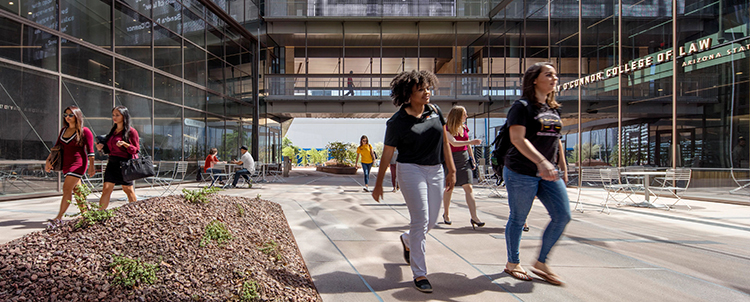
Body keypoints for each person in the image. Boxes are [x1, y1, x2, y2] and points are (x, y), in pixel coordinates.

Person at [371, 70, 456, 293]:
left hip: (436, 170)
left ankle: (408, 240)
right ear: (408, 94)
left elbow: (445, 141)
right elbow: (388, 154)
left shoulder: (435, 111)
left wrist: (451, 169)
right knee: (420, 220)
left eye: (428, 88)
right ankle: (420, 274)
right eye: (421, 89)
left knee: (432, 221)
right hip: (410, 170)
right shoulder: (397, 121)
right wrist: (379, 182)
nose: (427, 92)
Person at [503, 62, 570, 285]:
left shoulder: (553, 109)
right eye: (548, 75)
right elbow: (517, 139)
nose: (554, 78)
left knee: (563, 215)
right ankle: (513, 263)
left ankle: (541, 262)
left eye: (555, 75)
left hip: (549, 172)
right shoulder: (521, 107)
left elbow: (555, 140)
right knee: (519, 218)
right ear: (534, 79)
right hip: (521, 171)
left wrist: (562, 165)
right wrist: (541, 162)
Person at [44, 106, 95, 227]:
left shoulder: (85, 131)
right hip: (66, 164)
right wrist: (48, 161)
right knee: (77, 191)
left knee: (66, 189)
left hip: (78, 164)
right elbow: (56, 148)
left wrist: (91, 166)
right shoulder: (63, 131)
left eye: (71, 115)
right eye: (65, 115)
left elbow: (91, 151)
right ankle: (86, 215)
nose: (67, 117)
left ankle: (58, 217)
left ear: (77, 116)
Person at [442, 106, 484, 229]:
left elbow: (467, 143)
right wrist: (471, 142)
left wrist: (472, 158)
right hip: (451, 159)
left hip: (464, 158)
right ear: (458, 115)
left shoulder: (465, 127)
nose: (466, 116)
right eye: (464, 114)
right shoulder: (446, 128)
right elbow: (453, 142)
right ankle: (446, 213)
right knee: (449, 187)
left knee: (469, 187)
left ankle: (474, 217)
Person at [96, 106, 140, 210]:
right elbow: (109, 149)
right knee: (106, 189)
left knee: (128, 189)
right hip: (112, 162)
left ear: (124, 116)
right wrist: (101, 148)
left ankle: (135, 212)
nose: (114, 117)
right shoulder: (113, 131)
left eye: (117, 115)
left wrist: (125, 144)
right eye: (113, 115)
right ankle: (100, 213)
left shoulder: (131, 132)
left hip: (124, 163)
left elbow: (136, 149)